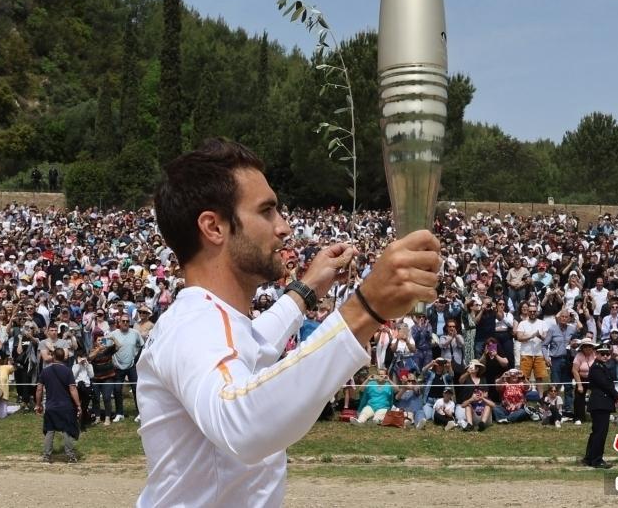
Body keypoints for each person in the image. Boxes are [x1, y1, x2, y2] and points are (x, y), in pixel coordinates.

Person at [136, 139, 440, 507]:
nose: (284, 228)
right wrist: (365, 308)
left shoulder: (217, 320)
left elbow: (256, 347)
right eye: (267, 211)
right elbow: (241, 423)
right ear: (213, 227)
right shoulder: (192, 326)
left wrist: (307, 288)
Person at [35, 347, 81, 463]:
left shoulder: (45, 371)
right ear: (63, 357)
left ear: (53, 357)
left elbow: (39, 389)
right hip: (66, 406)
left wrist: (38, 404)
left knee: (50, 431)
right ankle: (71, 456)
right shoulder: (67, 371)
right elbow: (72, 389)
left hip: (50, 406)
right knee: (66, 431)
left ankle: (46, 456)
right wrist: (78, 405)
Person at [581, 342, 618, 469]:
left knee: (597, 432)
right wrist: (617, 396)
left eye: (607, 354)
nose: (605, 356)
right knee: (600, 433)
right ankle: (596, 459)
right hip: (600, 403)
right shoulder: (597, 367)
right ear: (596, 354)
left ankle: (590, 458)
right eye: (602, 354)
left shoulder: (602, 366)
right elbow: (605, 385)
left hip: (601, 403)